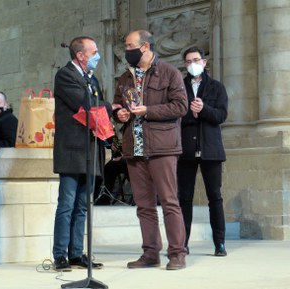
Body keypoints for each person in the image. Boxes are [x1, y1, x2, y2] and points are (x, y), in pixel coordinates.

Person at [113, 30, 188, 270]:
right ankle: (150, 253)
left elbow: (180, 107)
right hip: (134, 147)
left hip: (162, 147)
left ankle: (177, 253)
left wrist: (148, 110)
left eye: (129, 46)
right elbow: (116, 103)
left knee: (169, 202)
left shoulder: (169, 73)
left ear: (145, 46)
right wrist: (119, 114)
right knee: (144, 205)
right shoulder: (125, 77)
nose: (126, 51)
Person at [52, 36, 113, 271]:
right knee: (66, 204)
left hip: (90, 149)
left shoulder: (91, 78)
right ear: (81, 55)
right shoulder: (66, 75)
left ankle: (76, 253)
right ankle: (60, 255)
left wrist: (111, 111)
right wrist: (111, 107)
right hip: (71, 150)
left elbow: (98, 107)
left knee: (82, 205)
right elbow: (86, 103)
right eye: (94, 51)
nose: (97, 55)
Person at [178, 46, 228, 256]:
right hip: (186, 149)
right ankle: (182, 243)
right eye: (188, 61)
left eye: (195, 60)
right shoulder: (179, 86)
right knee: (184, 198)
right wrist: (193, 113)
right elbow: (176, 115)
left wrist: (204, 109)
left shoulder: (216, 87)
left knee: (214, 197)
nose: (192, 65)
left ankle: (220, 243)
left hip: (210, 149)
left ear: (204, 62)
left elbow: (221, 116)